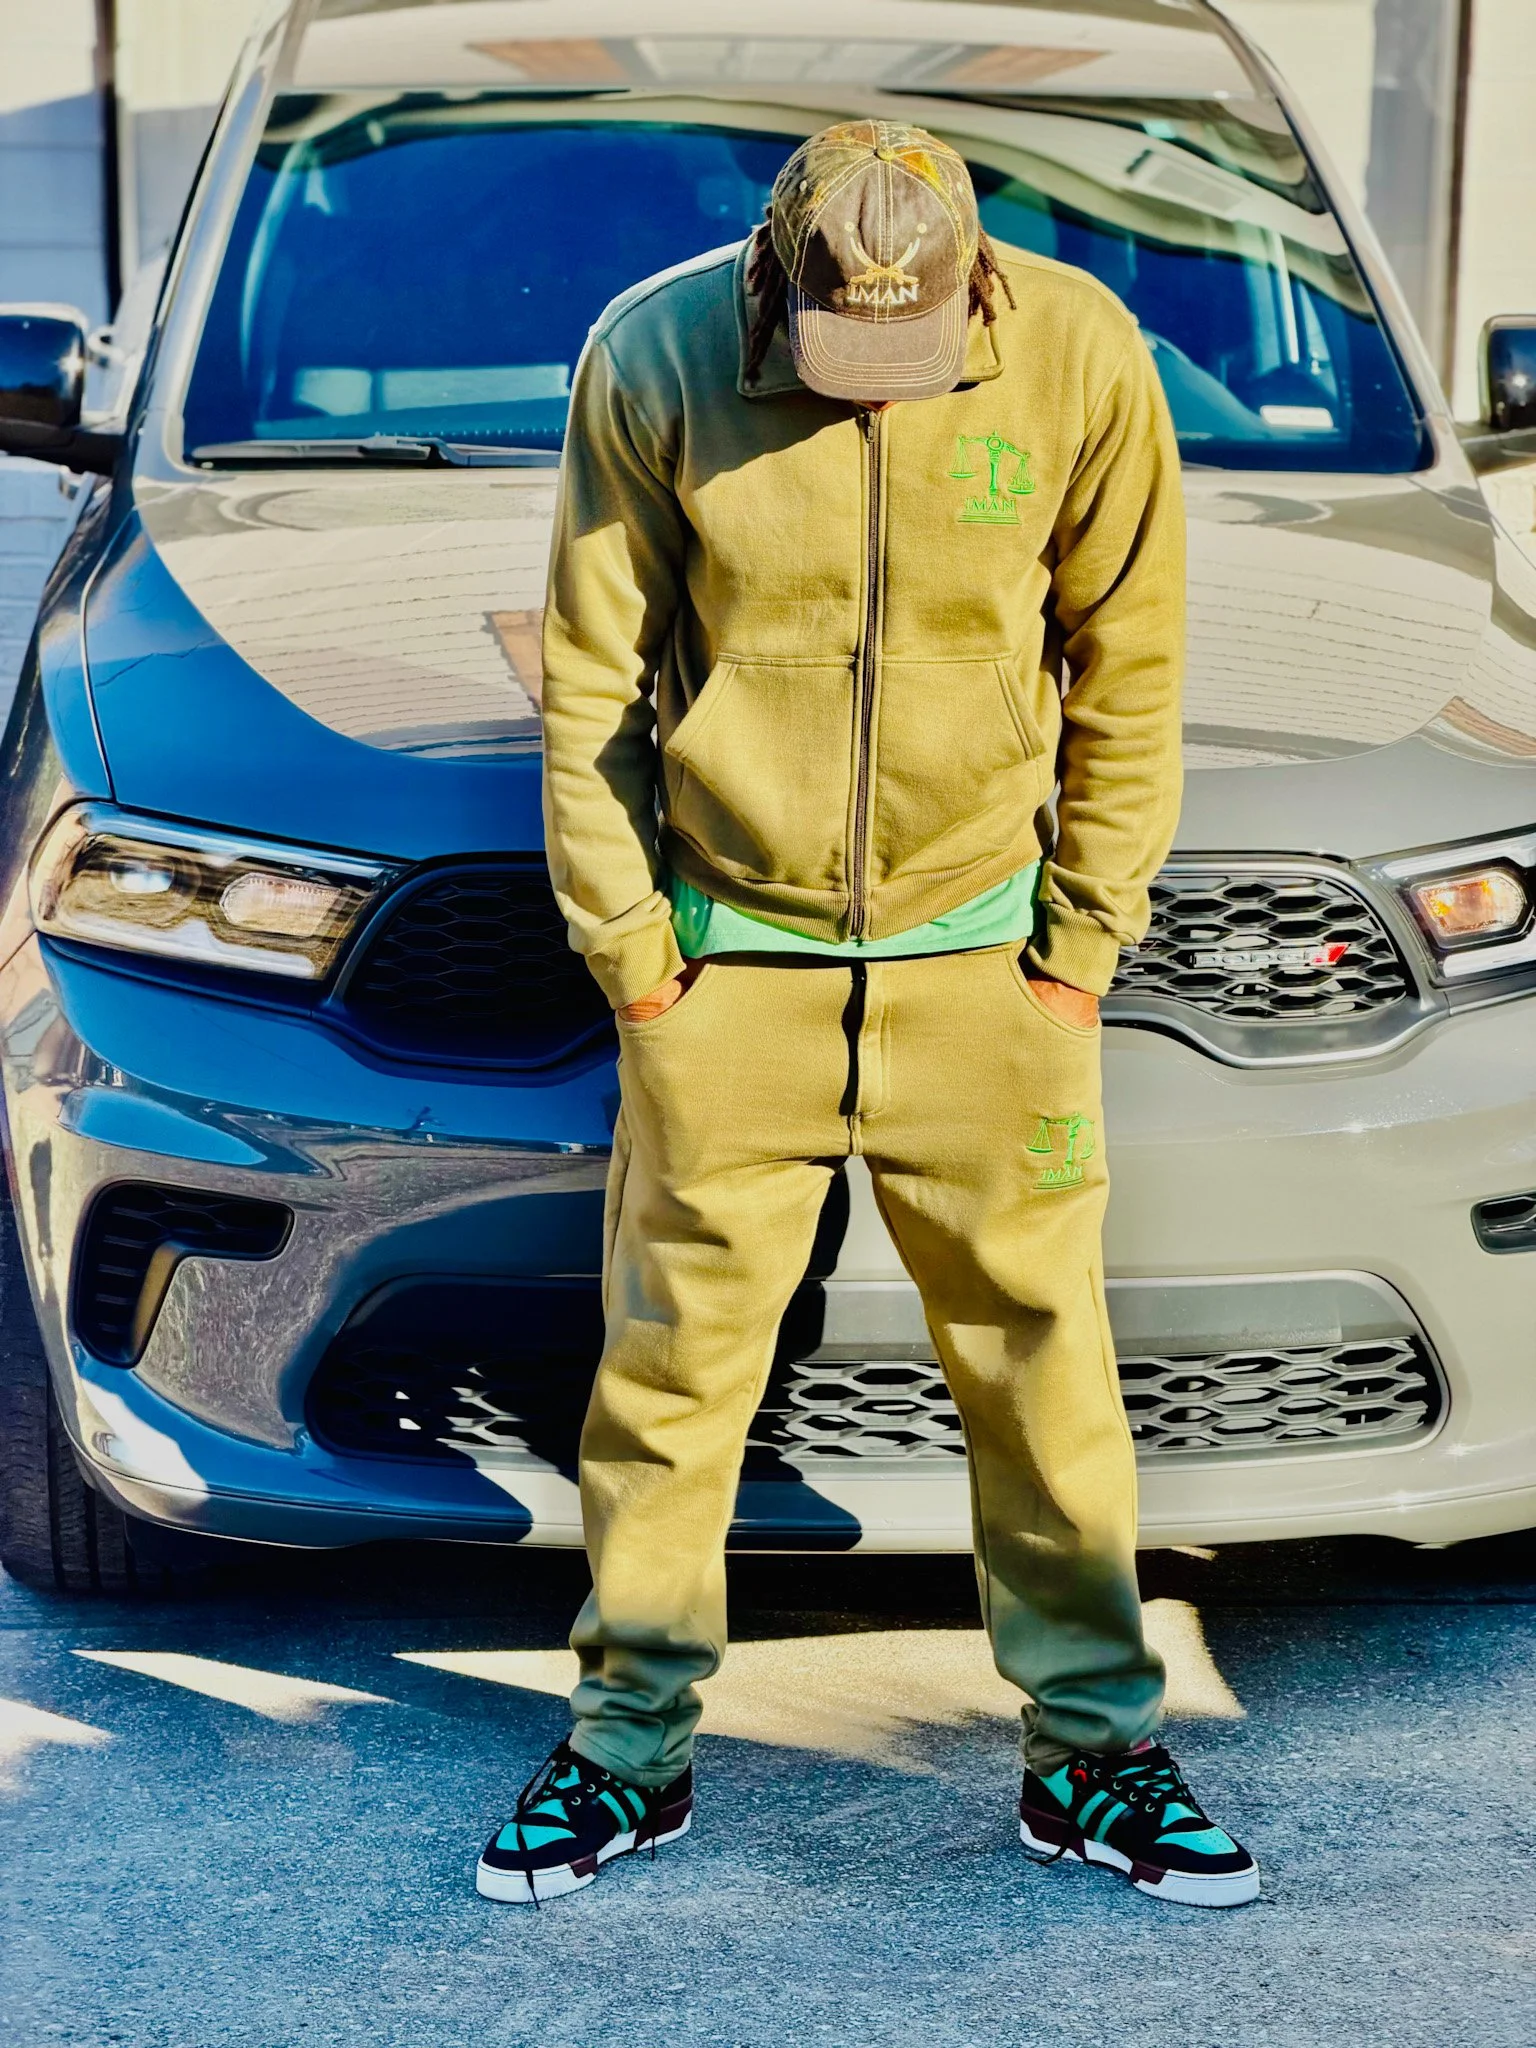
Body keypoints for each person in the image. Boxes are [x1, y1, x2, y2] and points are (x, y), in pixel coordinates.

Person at [477, 120, 1258, 1910]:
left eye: (906, 350)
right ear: (781, 274)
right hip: (725, 965)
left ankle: (1093, 1761)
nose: (869, 388)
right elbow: (591, 671)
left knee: (1044, 1370)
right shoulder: (659, 355)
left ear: (974, 280)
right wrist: (633, 957)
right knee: (671, 1379)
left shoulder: (1077, 353)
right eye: (841, 345)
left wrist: (1079, 949)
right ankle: (625, 1753)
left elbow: (1128, 665)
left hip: (988, 966)